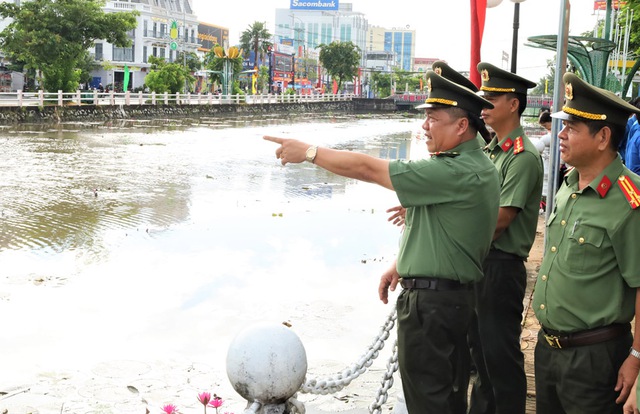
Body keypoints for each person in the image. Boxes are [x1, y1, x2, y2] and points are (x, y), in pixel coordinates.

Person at [265, 71, 500, 414]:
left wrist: (310, 152)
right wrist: (399, 264)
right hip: (446, 299)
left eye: (432, 119)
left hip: (434, 307)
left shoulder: (457, 170)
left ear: (461, 126)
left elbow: (367, 168)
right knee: (443, 396)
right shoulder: (465, 167)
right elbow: (443, 228)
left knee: (430, 402)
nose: (424, 127)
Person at [533, 72, 640, 414]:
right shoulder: (570, 183)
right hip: (549, 349)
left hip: (594, 359)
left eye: (572, 128)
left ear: (603, 136)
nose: (559, 135)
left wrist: (636, 359)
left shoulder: (629, 200)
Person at [466, 62, 543, 414]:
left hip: (500, 267)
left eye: (492, 98)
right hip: (480, 264)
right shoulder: (491, 152)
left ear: (513, 104)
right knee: (480, 360)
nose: (484, 105)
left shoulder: (522, 157)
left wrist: (453, 231)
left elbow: (500, 220)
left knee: (501, 362)